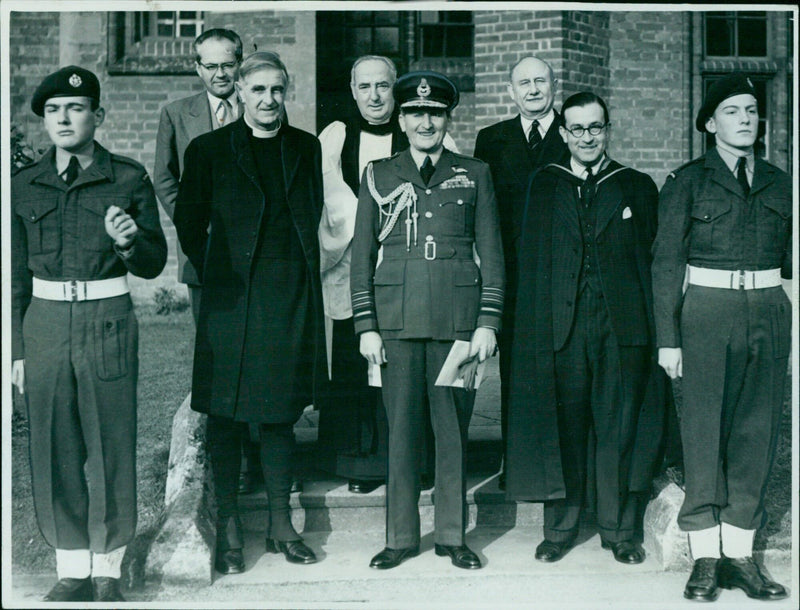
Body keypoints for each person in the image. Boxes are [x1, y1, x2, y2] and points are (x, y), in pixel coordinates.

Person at [11, 66, 167, 602]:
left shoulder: (126, 178)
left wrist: (128, 242)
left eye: (75, 109)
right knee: (53, 444)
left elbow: (152, 262)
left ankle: (108, 566)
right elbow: (11, 278)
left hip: (107, 321)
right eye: (53, 110)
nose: (63, 118)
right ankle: (71, 567)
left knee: (110, 444)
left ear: (97, 116)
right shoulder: (21, 185)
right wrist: (14, 349)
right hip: (45, 325)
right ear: (44, 120)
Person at [173, 52, 325, 575]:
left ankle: (282, 525)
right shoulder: (209, 150)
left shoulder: (304, 148)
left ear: (287, 92)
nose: (268, 100)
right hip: (230, 301)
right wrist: (221, 268)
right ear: (239, 91)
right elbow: (189, 224)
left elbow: (312, 214)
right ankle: (231, 526)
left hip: (287, 298)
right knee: (226, 415)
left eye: (277, 90)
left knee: (280, 412)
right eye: (257, 90)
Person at [350, 71, 505, 570]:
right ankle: (399, 538)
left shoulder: (474, 172)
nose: (425, 121)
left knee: (452, 432)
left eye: (435, 113)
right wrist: (365, 325)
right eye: (415, 113)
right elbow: (361, 256)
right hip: (395, 321)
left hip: (456, 323)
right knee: (401, 433)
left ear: (446, 118)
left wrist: (487, 322)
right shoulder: (379, 173)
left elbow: (493, 252)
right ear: (401, 118)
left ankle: (452, 536)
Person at [506, 92, 666, 566]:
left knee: (617, 427)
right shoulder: (545, 184)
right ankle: (560, 528)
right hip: (562, 326)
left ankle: (619, 531)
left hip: (620, 328)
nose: (586, 137)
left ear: (608, 129)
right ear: (563, 134)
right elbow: (530, 263)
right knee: (564, 425)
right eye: (576, 129)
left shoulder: (636, 186)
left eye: (595, 127)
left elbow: (652, 264)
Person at [652, 73, 790, 602]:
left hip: (769, 311)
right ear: (710, 124)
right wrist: (669, 338)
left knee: (756, 433)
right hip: (706, 313)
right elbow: (666, 264)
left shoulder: (781, 181)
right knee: (704, 431)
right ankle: (705, 557)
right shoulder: (687, 181)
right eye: (732, 110)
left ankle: (741, 556)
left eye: (752, 109)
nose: (746, 118)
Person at [316, 55, 447, 494]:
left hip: (407, 271)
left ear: (397, 90)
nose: (374, 95)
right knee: (358, 367)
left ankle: (413, 462)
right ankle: (362, 464)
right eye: (365, 86)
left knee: (406, 365)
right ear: (352, 91)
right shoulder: (335, 139)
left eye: (384, 86)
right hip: (353, 263)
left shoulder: (416, 132)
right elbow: (326, 199)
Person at [153, 29, 271, 496]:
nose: (221, 74)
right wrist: (196, 228)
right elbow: (164, 177)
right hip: (206, 255)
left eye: (229, 64)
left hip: (259, 258)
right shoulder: (176, 115)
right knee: (220, 357)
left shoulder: (262, 104)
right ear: (197, 68)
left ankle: (263, 456)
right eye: (211, 65)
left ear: (241, 64)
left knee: (262, 353)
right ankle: (232, 458)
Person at [473, 56, 568, 489]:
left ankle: (566, 465)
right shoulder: (491, 139)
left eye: (540, 81)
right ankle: (518, 464)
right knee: (514, 374)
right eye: (524, 83)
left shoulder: (575, 132)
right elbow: (483, 214)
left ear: (554, 86)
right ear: (511, 91)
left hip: (564, 274)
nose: (533, 90)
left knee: (565, 369)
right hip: (512, 279)